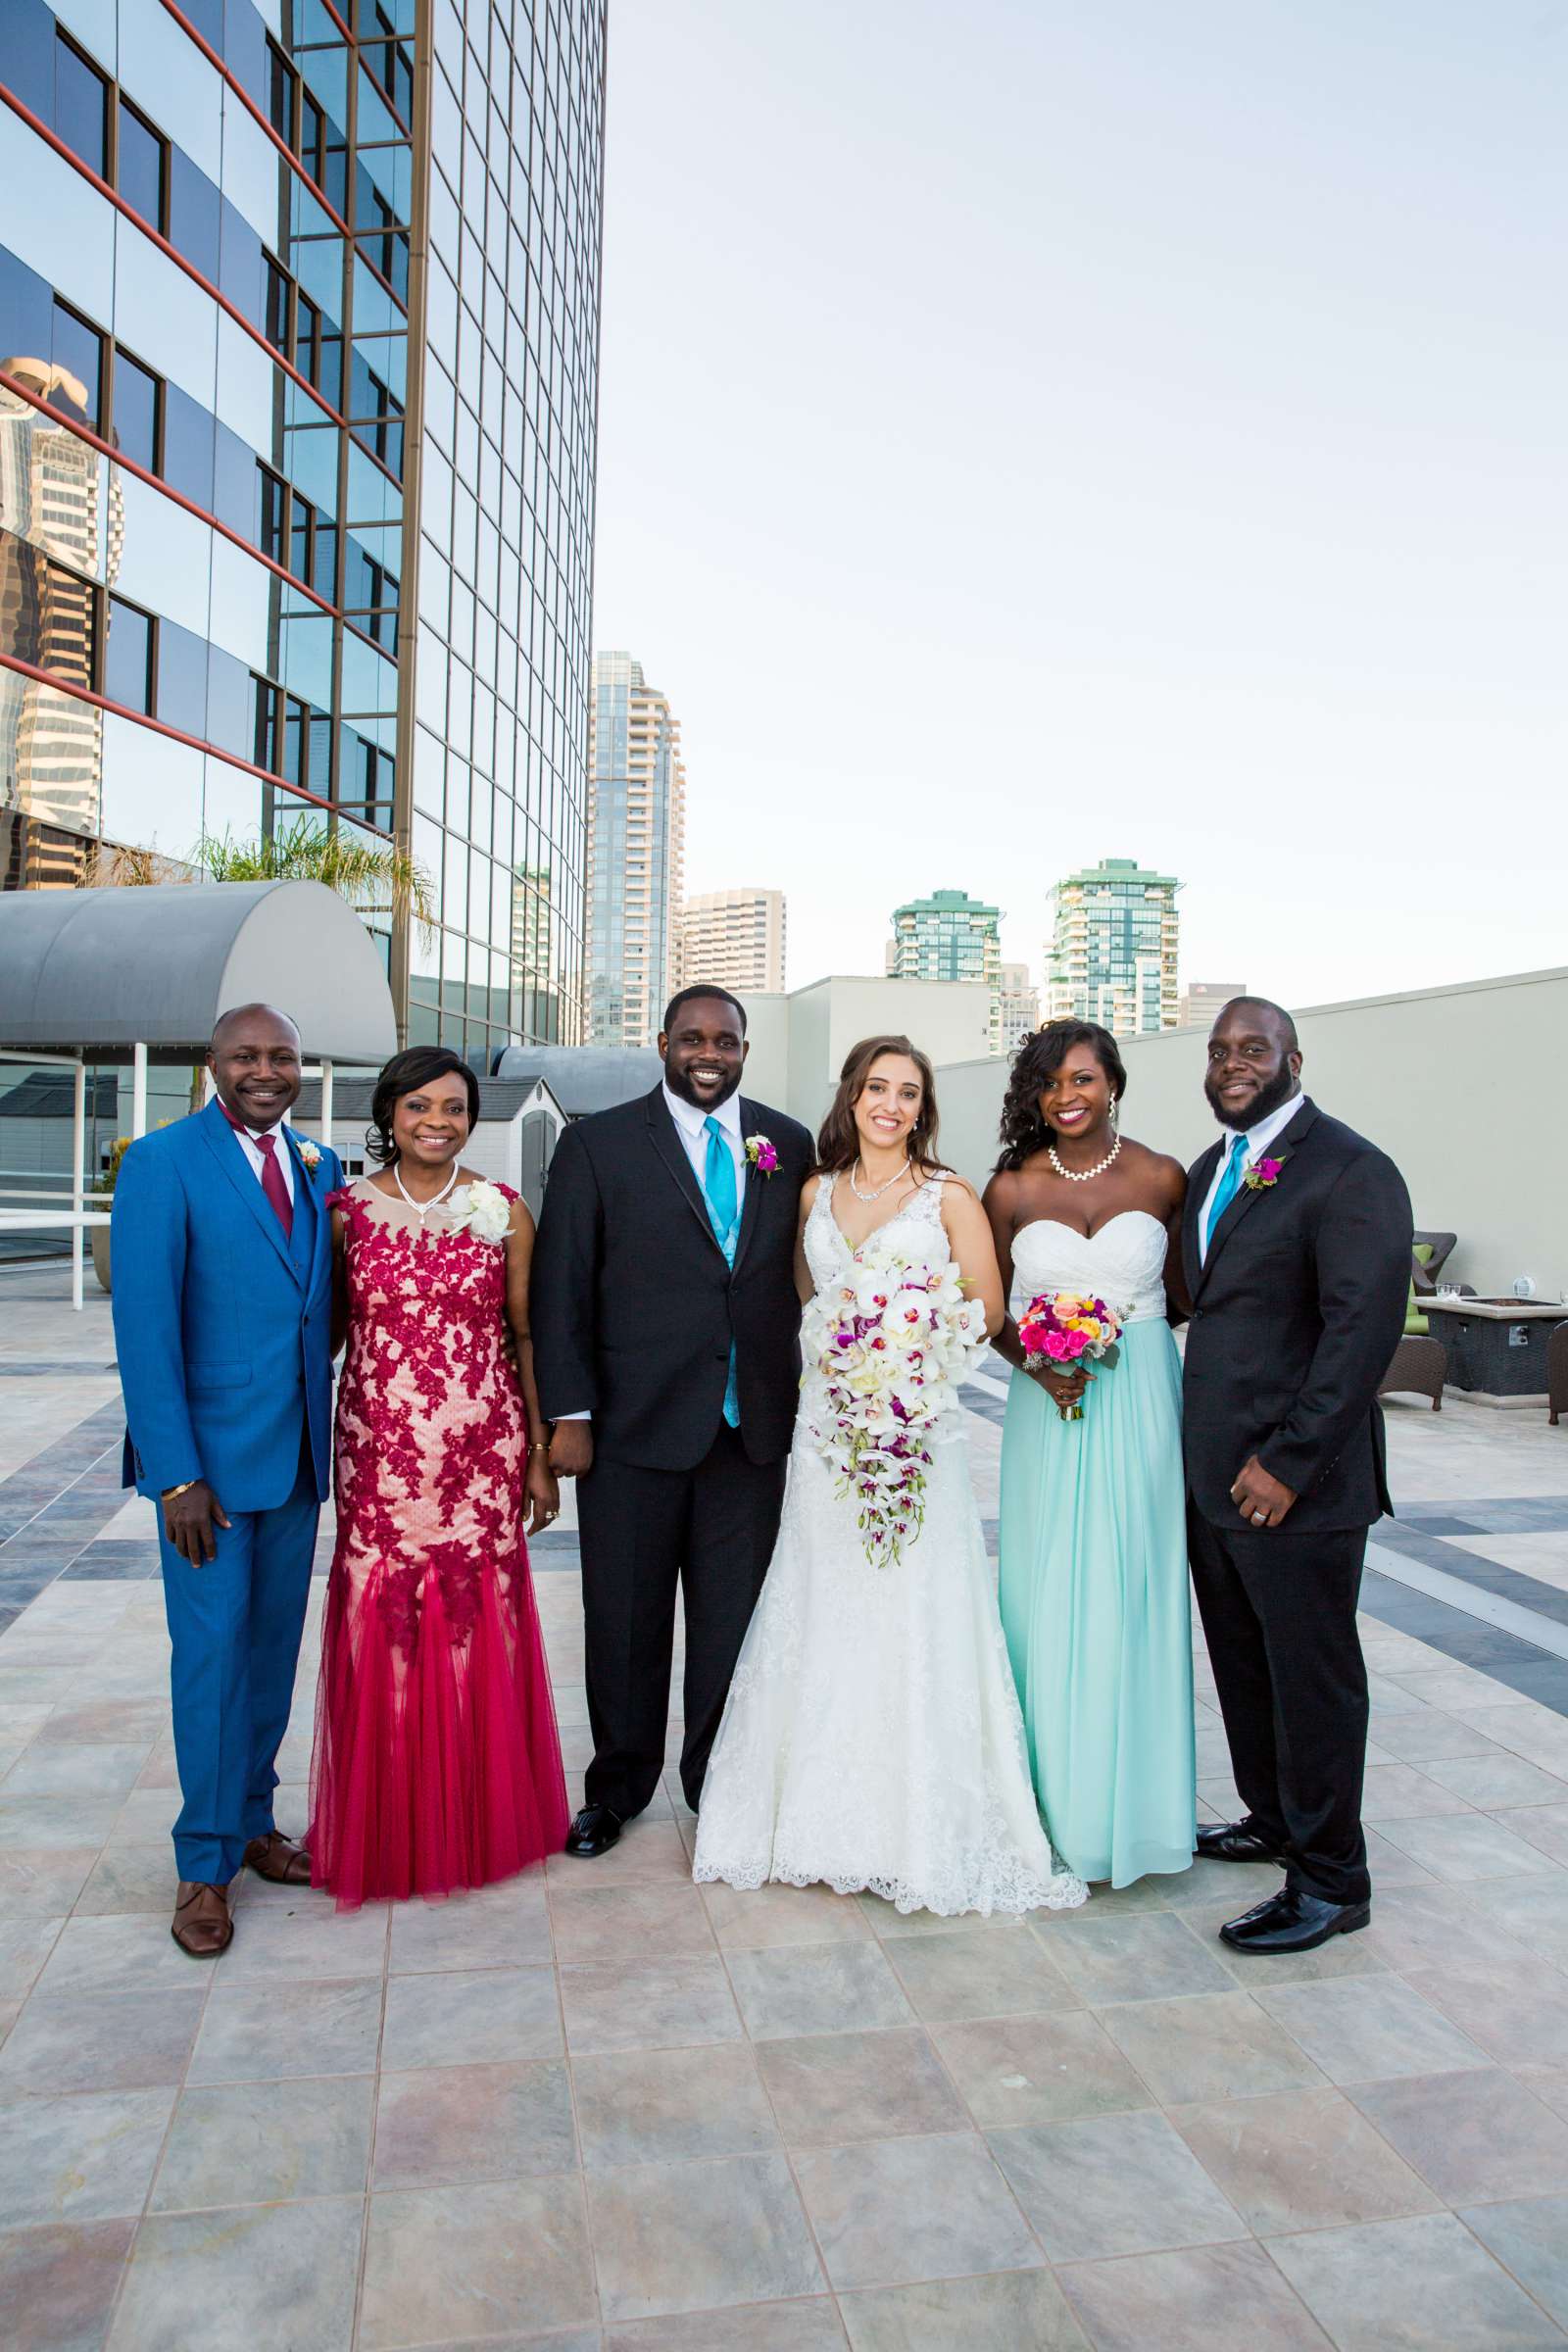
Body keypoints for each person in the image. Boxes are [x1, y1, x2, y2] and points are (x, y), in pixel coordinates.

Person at [694, 1037, 1086, 1918]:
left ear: (922, 1108)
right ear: (853, 1096)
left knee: (915, 1605)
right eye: (878, 1088)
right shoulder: (812, 1193)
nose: (891, 1105)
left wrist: (907, 1349)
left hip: (916, 1428)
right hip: (830, 1436)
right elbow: (806, 1300)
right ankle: (817, 1822)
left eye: (909, 1093)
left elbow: (985, 1309)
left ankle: (916, 1824)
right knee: (824, 1600)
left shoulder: (948, 1197)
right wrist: (849, 1351)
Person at [530, 986, 813, 1858]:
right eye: (691, 1037)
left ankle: (717, 1784)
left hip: (750, 1430)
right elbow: (559, 1290)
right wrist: (567, 1418)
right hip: (630, 1430)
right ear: (661, 1043)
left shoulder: (789, 1143)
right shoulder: (598, 1143)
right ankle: (615, 1789)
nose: (708, 1052)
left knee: (734, 1624)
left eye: (724, 1040)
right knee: (624, 1619)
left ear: (744, 1048)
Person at [308, 1048, 567, 1906]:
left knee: (470, 1621)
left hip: (481, 1457)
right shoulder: (343, 1212)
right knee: (383, 1623)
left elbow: (526, 1336)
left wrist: (536, 1450)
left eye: (454, 1108)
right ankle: (387, 1815)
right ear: (390, 1112)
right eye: (418, 1106)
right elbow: (328, 1335)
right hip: (379, 1453)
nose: (436, 1122)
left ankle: (476, 1813)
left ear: (471, 1119)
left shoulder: (502, 1210)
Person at [112, 1004, 344, 1957]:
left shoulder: (319, 1166)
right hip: (204, 1478)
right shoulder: (163, 1164)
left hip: (293, 1464)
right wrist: (175, 1478)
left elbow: (314, 1312)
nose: (265, 1070)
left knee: (267, 1656)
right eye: (246, 1055)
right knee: (209, 1662)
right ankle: (202, 1865)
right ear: (211, 1065)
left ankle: (252, 1822)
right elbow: (145, 1332)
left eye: (281, 1055)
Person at [1183, 996, 1411, 1954]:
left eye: (1255, 1049)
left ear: (1293, 1059)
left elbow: (1363, 1334)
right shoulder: (1209, 1171)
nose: (1236, 1063)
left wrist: (1286, 1462)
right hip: (1211, 1484)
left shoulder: (1350, 1169)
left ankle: (1330, 1879)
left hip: (1296, 1489)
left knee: (1311, 1679)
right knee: (1243, 1665)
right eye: (1222, 1049)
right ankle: (1273, 1819)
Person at [983, 1021, 1197, 1888]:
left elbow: (1185, 1296)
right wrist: (1040, 1362)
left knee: (1137, 1589)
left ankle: (1138, 1814)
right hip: (1046, 1407)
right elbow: (989, 1308)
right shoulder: (1009, 1188)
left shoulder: (1164, 1176)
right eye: (1049, 1084)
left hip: (1141, 1396)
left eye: (1082, 1079)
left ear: (1112, 1081)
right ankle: (1049, 1806)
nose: (1066, 1097)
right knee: (1045, 1590)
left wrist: (1121, 1341)